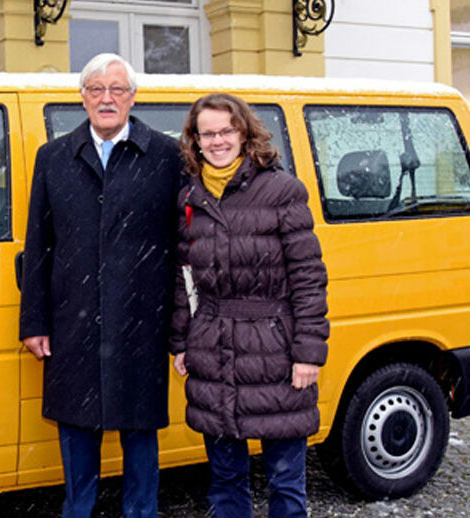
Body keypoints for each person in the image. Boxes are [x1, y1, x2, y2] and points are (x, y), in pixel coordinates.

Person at [19, 53, 184, 518]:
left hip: (141, 323)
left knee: (140, 437)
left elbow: (183, 244)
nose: (106, 98)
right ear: (83, 98)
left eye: (117, 89)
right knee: (75, 433)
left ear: (133, 97)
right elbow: (39, 245)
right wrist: (34, 321)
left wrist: (179, 323)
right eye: (96, 89)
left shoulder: (166, 157)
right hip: (74, 322)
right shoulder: (53, 158)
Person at [169, 93, 329, 518]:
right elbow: (183, 278)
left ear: (244, 133)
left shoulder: (282, 191)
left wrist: (308, 353)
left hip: (275, 348)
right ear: (195, 141)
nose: (218, 140)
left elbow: (308, 278)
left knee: (285, 483)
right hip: (213, 347)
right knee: (225, 483)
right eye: (208, 134)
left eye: (226, 130)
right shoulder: (190, 197)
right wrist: (181, 340)